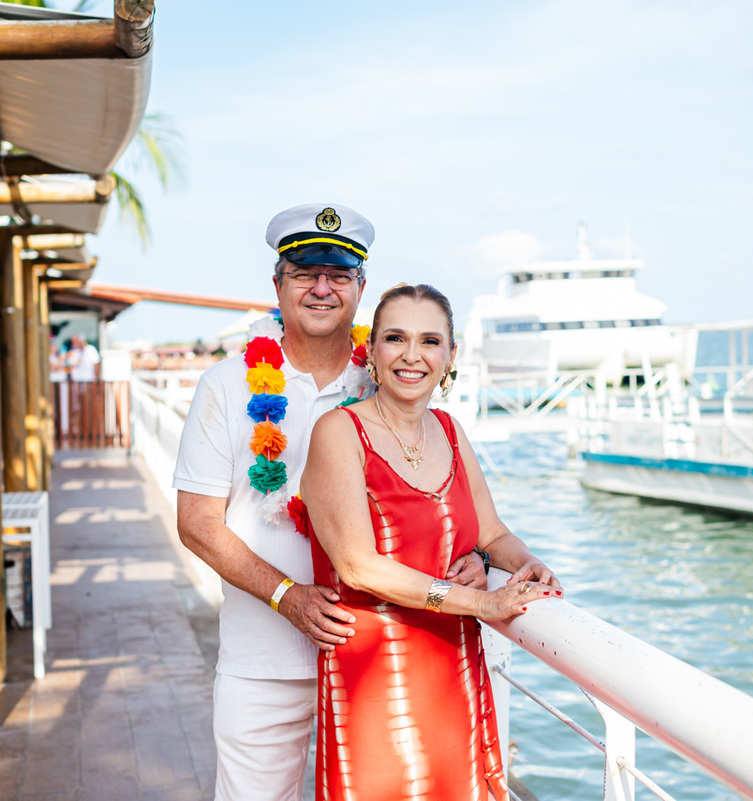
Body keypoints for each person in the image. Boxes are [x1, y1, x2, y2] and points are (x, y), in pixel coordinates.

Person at [173, 205, 487, 801]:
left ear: (360, 289)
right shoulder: (227, 384)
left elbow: (440, 491)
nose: (322, 288)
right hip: (263, 656)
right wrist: (286, 596)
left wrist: (477, 557)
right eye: (304, 272)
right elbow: (196, 523)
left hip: (383, 652)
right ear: (278, 284)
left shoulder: (391, 377)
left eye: (339, 274)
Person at [301, 284, 562, 801]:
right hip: (376, 677)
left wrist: (526, 562)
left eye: (430, 341)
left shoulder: (449, 429)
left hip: (453, 666)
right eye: (396, 338)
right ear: (371, 350)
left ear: (450, 356)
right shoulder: (340, 432)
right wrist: (484, 601)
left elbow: (491, 532)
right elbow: (358, 567)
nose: (412, 355)